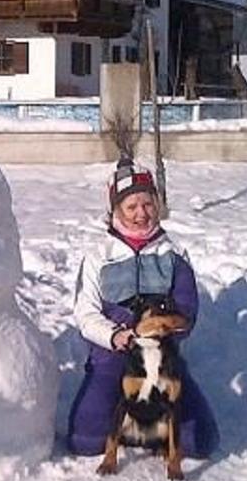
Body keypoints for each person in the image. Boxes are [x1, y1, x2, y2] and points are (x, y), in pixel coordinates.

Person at [66, 158, 219, 459]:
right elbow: (85, 313)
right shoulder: (99, 254)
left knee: (199, 442)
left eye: (147, 205)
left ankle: (150, 429)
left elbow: (187, 310)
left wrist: (162, 332)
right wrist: (115, 336)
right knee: (85, 441)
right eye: (131, 206)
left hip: (162, 357)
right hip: (113, 356)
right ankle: (122, 419)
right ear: (116, 209)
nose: (141, 214)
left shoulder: (173, 254)